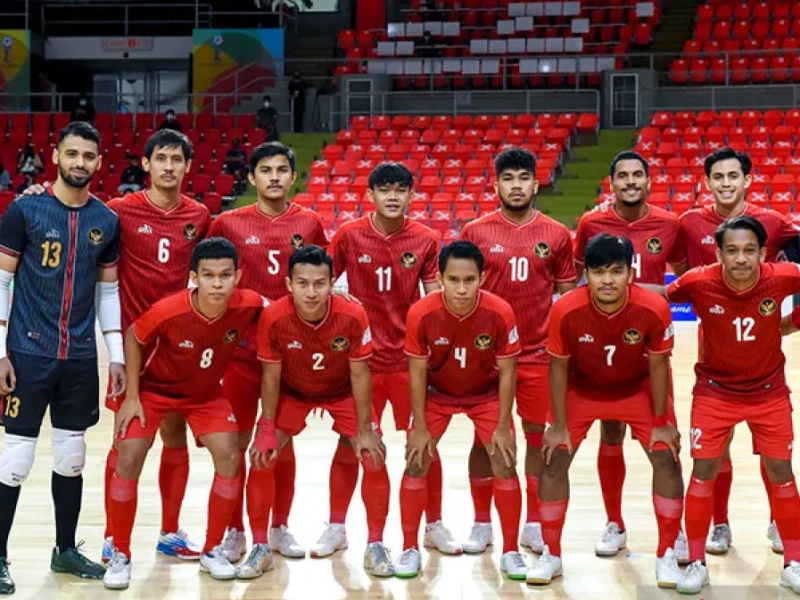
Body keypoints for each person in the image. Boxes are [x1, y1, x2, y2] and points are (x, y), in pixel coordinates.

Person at [22, 129, 213, 564]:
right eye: (160, 158)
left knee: (175, 435)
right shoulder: (118, 212)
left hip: (180, 347)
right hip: (131, 347)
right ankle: (113, 537)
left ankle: (169, 532)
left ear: (187, 166)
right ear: (145, 164)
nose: (168, 167)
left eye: (176, 160)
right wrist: (40, 194)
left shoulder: (200, 215)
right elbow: (75, 212)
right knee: (125, 442)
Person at [0, 121, 123, 594]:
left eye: (88, 156)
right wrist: (0, 352)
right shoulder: (24, 210)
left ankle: (65, 550)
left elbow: (107, 291)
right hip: (27, 354)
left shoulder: (106, 221)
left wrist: (115, 355)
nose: (80, 163)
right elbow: (2, 281)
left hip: (79, 358)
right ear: (55, 156)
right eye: (72, 154)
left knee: (72, 457)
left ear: (99, 162)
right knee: (15, 459)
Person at [102, 238, 267, 589]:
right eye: (208, 275)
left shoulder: (249, 303)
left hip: (204, 394)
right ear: (194, 277)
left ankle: (212, 550)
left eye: (225, 275)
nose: (217, 284)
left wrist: (336, 297)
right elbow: (134, 337)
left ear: (238, 276)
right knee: (128, 456)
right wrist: (132, 397)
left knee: (229, 454)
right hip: (155, 390)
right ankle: (120, 553)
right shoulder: (169, 309)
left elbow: (283, 308)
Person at [526, 233, 684, 588]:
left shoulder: (653, 307)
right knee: (553, 457)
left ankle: (667, 554)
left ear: (631, 274)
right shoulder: (566, 308)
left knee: (667, 456)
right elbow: (558, 367)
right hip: (582, 387)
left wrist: (661, 422)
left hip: (637, 387)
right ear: (587, 275)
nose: (607, 280)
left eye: (616, 271)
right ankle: (551, 554)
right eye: (598, 272)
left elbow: (659, 366)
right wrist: (558, 424)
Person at [654, 216, 800, 594]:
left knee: (782, 471)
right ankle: (697, 562)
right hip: (715, 391)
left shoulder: (783, 276)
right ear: (718, 254)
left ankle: (794, 563)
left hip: (768, 391)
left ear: (763, 254)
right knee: (703, 470)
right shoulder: (698, 281)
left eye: (749, 250)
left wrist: (793, 321)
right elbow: (657, 297)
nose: (741, 258)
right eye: (732, 251)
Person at [328, 163, 457, 554]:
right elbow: (324, 284)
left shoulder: (426, 238)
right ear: (371, 195)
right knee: (351, 443)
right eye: (384, 189)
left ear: (411, 195)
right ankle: (336, 526)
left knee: (424, 444)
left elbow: (434, 299)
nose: (393, 196)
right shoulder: (348, 235)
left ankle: (434, 524)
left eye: (401, 189)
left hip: (407, 361)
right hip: (361, 363)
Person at [208, 142, 327, 564]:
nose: (274, 177)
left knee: (281, 443)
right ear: (251, 177)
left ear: (293, 176)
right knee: (236, 444)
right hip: (240, 354)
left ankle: (279, 526)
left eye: (281, 170)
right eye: (265, 170)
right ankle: (235, 531)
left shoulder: (310, 223)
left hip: (291, 356)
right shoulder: (227, 223)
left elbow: (321, 282)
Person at [679, 147, 800, 556]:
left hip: (762, 346)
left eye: (734, 176)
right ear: (707, 182)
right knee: (718, 448)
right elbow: (676, 269)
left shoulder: (773, 222)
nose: (726, 183)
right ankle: (719, 524)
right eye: (718, 176)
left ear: (748, 180)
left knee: (773, 454)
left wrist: (789, 322)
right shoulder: (690, 222)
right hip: (714, 345)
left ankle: (778, 522)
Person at [246, 245, 391, 579]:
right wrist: (266, 426)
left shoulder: (353, 314)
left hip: (342, 392)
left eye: (319, 284)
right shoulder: (273, 317)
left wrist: (366, 430)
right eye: (303, 283)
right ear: (289, 284)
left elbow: (360, 374)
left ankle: (374, 544)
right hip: (292, 392)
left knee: (374, 455)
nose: (311, 292)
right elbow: (270, 377)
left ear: (332, 284)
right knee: (263, 455)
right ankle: (262, 544)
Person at [459, 147, 576, 555]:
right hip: (488, 358)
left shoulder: (556, 234)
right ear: (496, 185)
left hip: (538, 355)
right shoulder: (475, 232)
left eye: (523, 178)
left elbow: (566, 300)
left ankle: (533, 522)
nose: (516, 186)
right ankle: (481, 522)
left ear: (535, 184)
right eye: (508, 178)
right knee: (485, 440)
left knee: (535, 437)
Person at [573, 150, 688, 559]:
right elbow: (576, 279)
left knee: (665, 441)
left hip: (650, 350)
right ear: (612, 183)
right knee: (610, 436)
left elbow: (687, 279)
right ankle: (614, 523)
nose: (631, 181)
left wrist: (654, 294)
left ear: (649, 181)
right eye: (622, 175)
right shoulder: (591, 223)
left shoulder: (670, 224)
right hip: (604, 349)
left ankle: (676, 531)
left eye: (638, 174)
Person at [396, 240, 528, 580]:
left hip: (486, 395)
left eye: (469, 280)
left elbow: (509, 372)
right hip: (437, 394)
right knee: (416, 459)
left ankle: (510, 550)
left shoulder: (500, 312)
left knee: (504, 460)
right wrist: (419, 427)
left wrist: (503, 426)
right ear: (440, 278)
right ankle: (410, 547)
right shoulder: (421, 313)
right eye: (453, 280)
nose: (461, 288)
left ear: (483, 278)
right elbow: (416, 373)